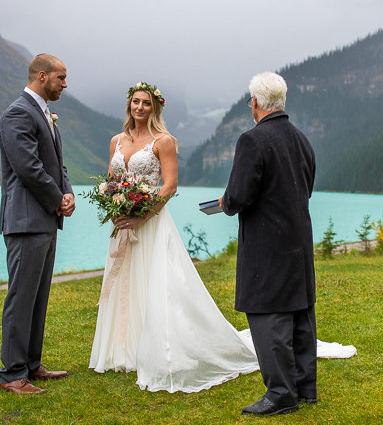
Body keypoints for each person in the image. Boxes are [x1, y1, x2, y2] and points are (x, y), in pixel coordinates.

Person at [89, 82, 260, 392]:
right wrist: (113, 206)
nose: (139, 108)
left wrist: (142, 214)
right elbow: (111, 181)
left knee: (156, 281)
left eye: (146, 103)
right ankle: (123, 350)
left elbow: (169, 186)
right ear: (129, 105)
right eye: (135, 102)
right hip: (122, 224)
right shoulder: (115, 141)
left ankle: (160, 347)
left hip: (151, 223)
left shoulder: (164, 141)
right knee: (125, 280)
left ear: (155, 108)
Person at [219, 71, 318, 416]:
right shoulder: (301, 139)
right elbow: (306, 186)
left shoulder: (253, 140)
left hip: (266, 245)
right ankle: (305, 388)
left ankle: (280, 394)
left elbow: (239, 195)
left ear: (256, 103)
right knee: (299, 313)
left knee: (269, 316)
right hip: (298, 240)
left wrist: (226, 202)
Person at [0, 53, 76, 394]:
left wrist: (68, 192)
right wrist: (56, 198)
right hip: (26, 220)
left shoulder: (44, 113)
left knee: (38, 296)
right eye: (61, 77)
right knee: (21, 295)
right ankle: (12, 374)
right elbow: (28, 167)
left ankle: (31, 364)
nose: (65, 84)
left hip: (44, 219)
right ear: (42, 76)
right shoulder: (18, 113)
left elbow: (57, 165)